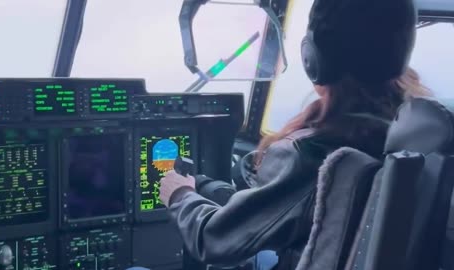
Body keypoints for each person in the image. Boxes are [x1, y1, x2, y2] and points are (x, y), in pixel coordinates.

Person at [152, 0, 431, 270]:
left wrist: (179, 193)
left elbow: (212, 240)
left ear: (312, 58)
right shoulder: (415, 132)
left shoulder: (313, 155)